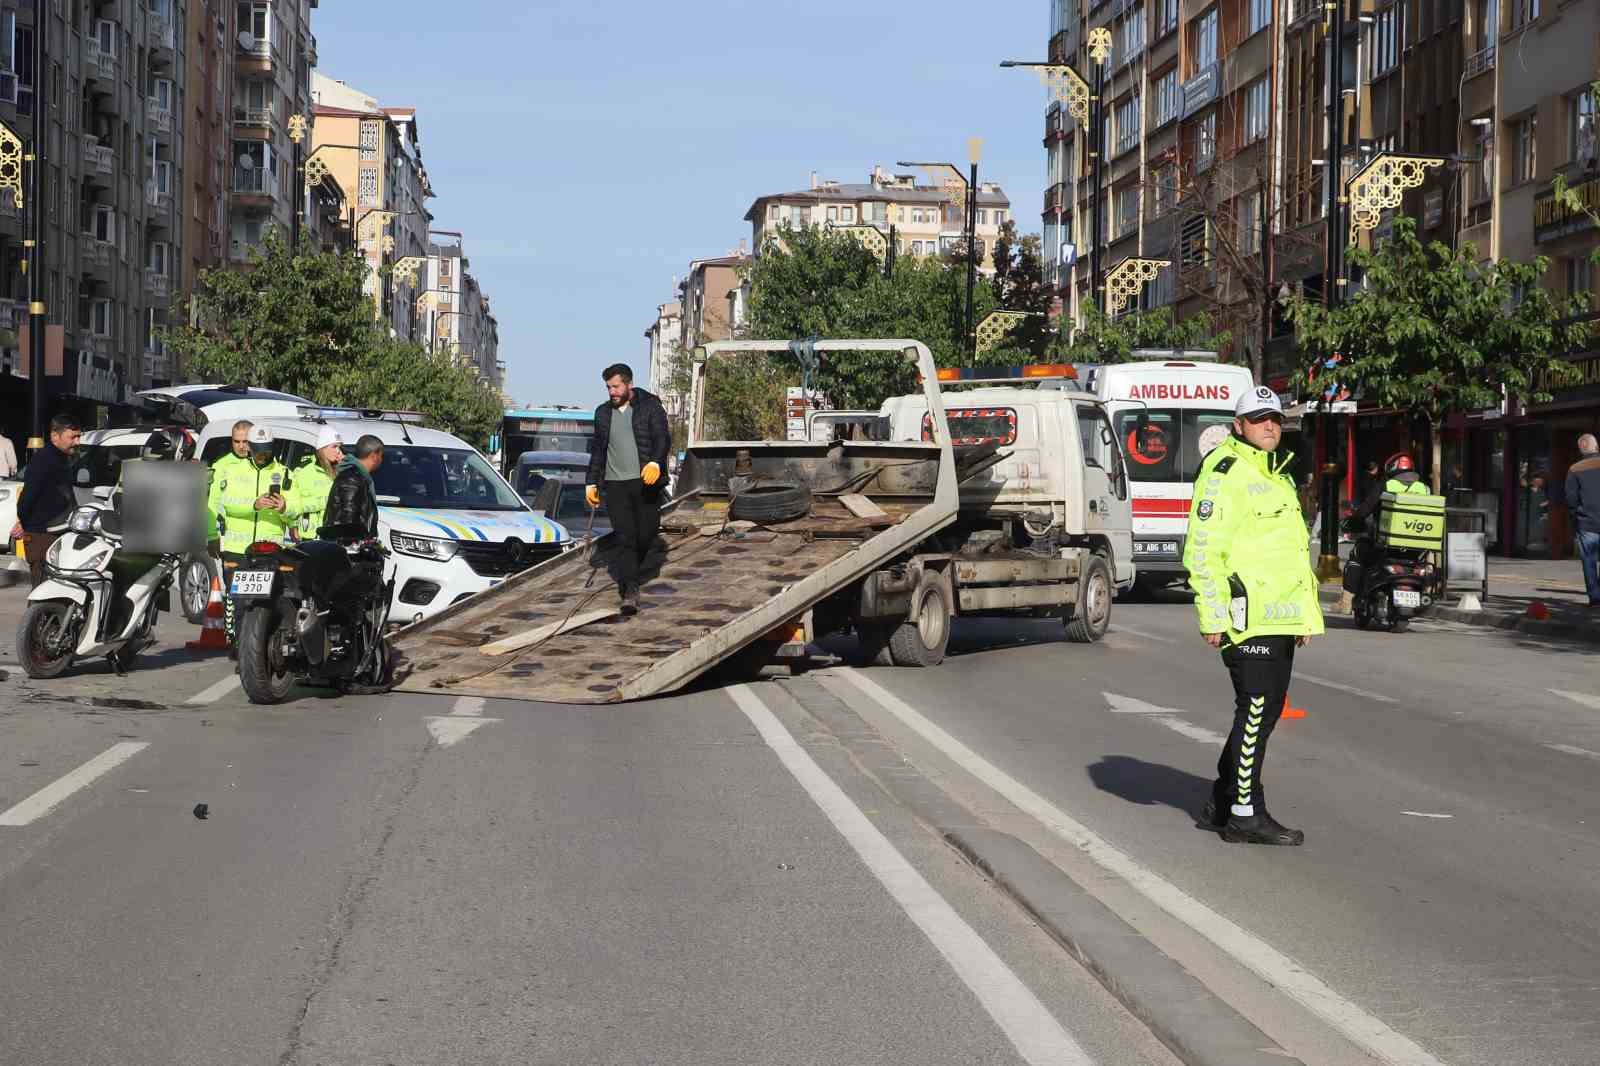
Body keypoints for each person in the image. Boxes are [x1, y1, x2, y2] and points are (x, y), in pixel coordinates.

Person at [1183, 386, 1324, 847]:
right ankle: (1245, 813)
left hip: (1278, 617)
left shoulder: (1275, 474)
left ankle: (1225, 800)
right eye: (1259, 418)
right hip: (1247, 618)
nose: (1270, 425)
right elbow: (1204, 550)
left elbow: (1288, 555)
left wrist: (1302, 616)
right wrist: (1212, 614)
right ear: (1238, 424)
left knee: (1264, 714)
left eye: (1276, 419)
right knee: (1256, 710)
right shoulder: (1225, 473)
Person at [584, 362, 670, 616]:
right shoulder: (602, 413)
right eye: (608, 387)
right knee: (625, 538)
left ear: (629, 384)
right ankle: (630, 591)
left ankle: (631, 574)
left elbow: (662, 438)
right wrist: (591, 481)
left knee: (646, 534)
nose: (612, 392)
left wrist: (655, 462)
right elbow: (598, 450)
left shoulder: (649, 406)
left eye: (616, 386)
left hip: (646, 483)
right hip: (616, 485)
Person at [208, 424, 297, 648]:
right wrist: (254, 504)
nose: (261, 454)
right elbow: (226, 503)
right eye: (256, 449)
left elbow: (296, 511)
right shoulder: (232, 471)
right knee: (239, 604)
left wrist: (285, 507)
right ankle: (241, 648)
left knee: (270, 602)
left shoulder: (285, 473)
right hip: (238, 550)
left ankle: (263, 649)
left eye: (265, 450)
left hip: (270, 551)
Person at [16, 414, 82, 587]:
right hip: (41, 536)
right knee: (42, 592)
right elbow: (26, 499)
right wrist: (26, 523)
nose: (77, 442)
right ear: (55, 436)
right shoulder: (43, 460)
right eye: (72, 437)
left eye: (78, 436)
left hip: (59, 533)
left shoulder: (62, 459)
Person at [322, 433, 385, 539]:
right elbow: (348, 520)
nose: (381, 460)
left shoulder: (360, 477)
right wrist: (354, 546)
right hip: (346, 548)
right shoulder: (352, 479)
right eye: (381, 456)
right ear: (374, 456)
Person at [288, 426, 345, 540]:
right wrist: (292, 526)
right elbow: (292, 503)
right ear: (322, 449)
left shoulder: (342, 472)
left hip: (335, 538)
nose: (339, 451)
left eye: (339, 447)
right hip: (307, 538)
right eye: (334, 446)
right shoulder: (303, 472)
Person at [1564, 433, 1600, 607]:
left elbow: (1571, 498)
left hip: (1586, 523)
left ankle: (1595, 598)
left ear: (1581, 449)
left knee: (1589, 561)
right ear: (1596, 446)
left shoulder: (1575, 469)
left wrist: (1575, 515)